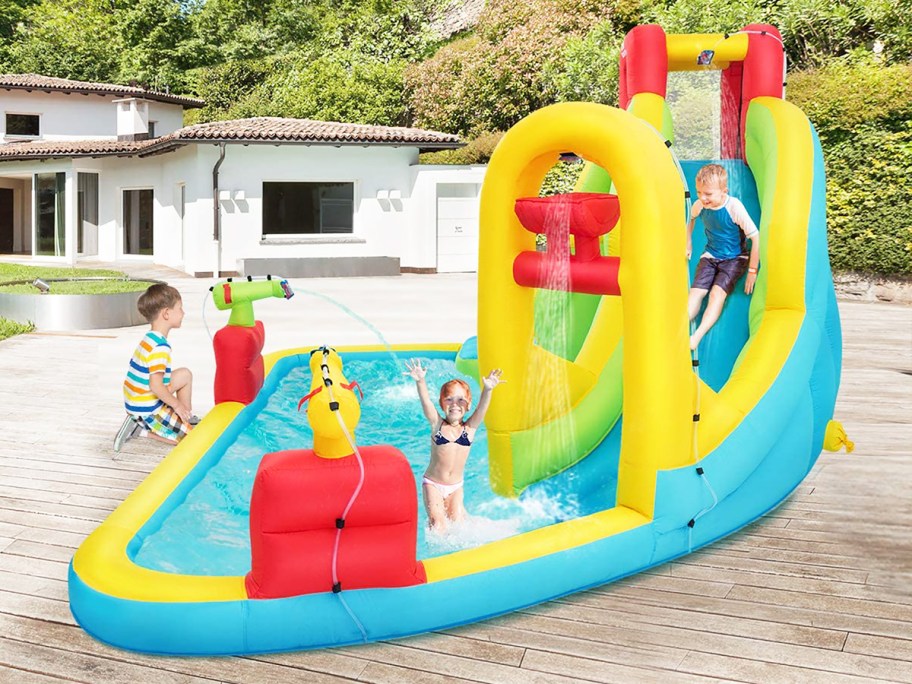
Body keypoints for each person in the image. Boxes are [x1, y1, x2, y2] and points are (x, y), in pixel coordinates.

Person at [405, 360, 504, 532]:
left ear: (468, 405)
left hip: (456, 486)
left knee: (458, 524)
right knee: (438, 525)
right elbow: (426, 403)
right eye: (449, 399)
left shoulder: (470, 429)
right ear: (442, 403)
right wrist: (420, 381)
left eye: (461, 400)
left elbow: (482, 409)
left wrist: (488, 389)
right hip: (433, 484)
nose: (455, 404)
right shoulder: (437, 425)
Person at [686, 163, 761, 350]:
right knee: (696, 293)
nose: (703, 198)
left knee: (716, 294)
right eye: (699, 192)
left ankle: (697, 336)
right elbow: (691, 219)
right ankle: (677, 329)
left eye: (708, 194)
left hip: (735, 258)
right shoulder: (699, 205)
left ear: (723, 191)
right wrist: (688, 242)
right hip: (710, 255)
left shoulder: (734, 206)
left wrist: (752, 270)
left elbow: (755, 237)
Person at [114, 283, 196, 451]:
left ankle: (185, 418)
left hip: (137, 397)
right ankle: (141, 430)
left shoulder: (150, 338)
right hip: (146, 409)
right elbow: (155, 386)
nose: (183, 313)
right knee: (190, 438)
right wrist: (176, 405)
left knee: (185, 374)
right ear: (166, 313)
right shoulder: (160, 348)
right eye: (180, 308)